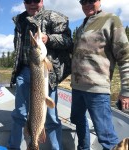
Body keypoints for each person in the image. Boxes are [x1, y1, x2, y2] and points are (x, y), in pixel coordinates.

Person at [7, 0, 72, 150]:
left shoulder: (53, 16)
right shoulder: (20, 20)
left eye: (36, 0)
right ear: (24, 3)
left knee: (51, 116)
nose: (32, 4)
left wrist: (48, 39)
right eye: (28, 1)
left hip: (44, 72)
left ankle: (56, 148)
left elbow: (68, 41)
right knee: (19, 114)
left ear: (42, 1)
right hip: (24, 71)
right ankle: (13, 147)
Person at [71, 0, 129, 150]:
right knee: (78, 121)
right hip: (77, 88)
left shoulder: (110, 19)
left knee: (106, 136)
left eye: (92, 1)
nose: (87, 4)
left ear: (99, 1)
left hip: (97, 89)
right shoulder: (82, 26)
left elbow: (125, 57)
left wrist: (126, 91)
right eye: (84, 1)